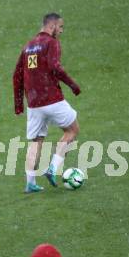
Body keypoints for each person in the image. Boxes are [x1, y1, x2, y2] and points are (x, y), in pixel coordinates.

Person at [13, 13, 81, 192]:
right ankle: (53, 168)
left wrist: (19, 103)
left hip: (34, 104)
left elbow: (17, 75)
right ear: (52, 26)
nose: (61, 31)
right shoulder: (52, 43)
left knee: (36, 142)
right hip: (52, 99)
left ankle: (30, 183)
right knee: (72, 130)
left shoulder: (28, 46)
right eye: (60, 27)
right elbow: (55, 67)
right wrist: (73, 85)